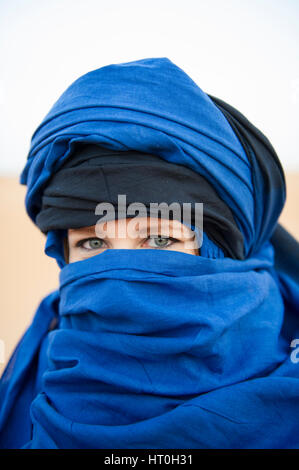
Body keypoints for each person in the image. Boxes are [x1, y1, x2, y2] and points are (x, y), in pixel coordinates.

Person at [0, 57, 298, 449]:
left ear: (221, 250)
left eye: (160, 241)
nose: (122, 277)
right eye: (93, 244)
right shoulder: (43, 367)